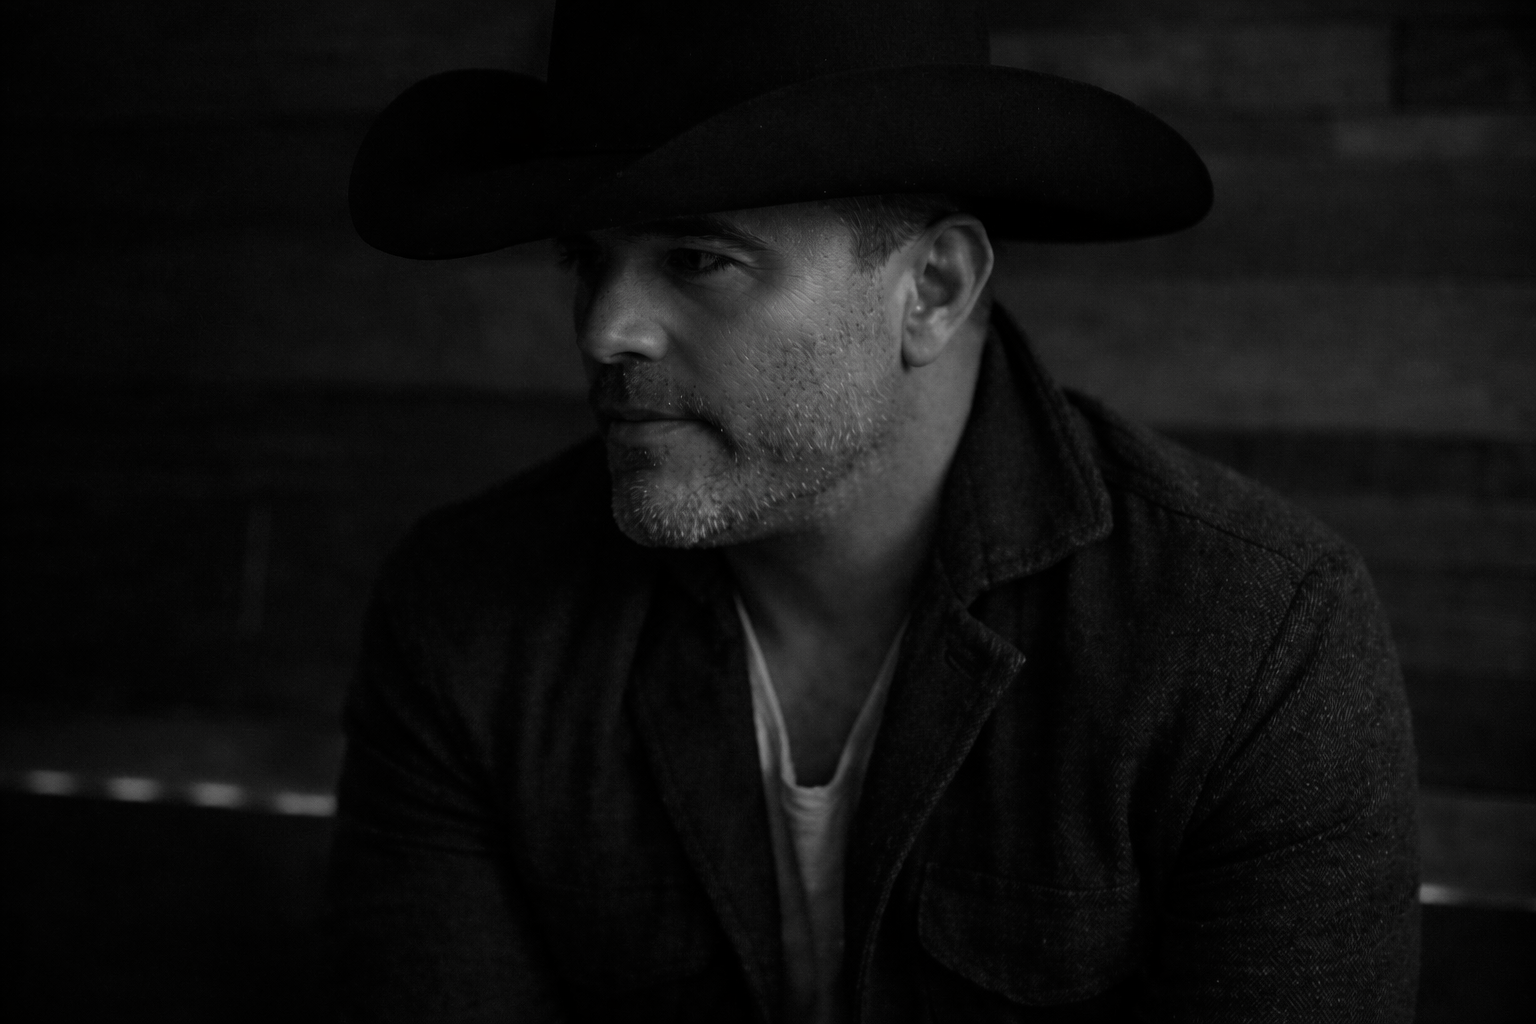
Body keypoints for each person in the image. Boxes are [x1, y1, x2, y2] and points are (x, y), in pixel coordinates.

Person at [330, 2, 1419, 1021]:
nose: (605, 329)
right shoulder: (470, 620)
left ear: (932, 289)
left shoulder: (1246, 640)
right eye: (587, 261)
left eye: (697, 259)